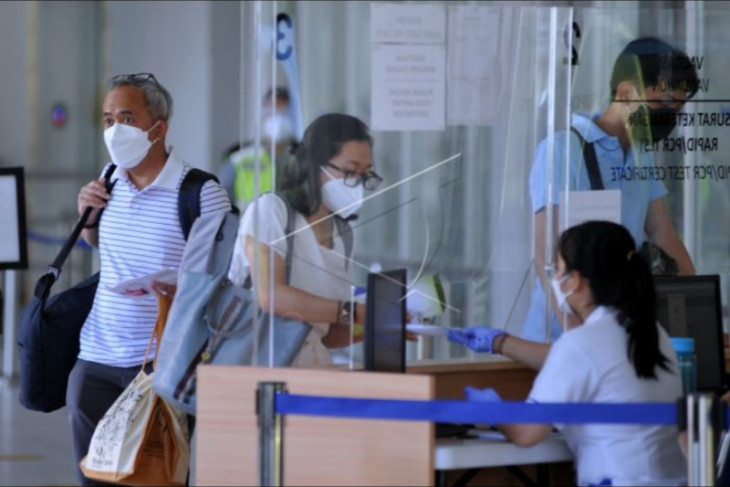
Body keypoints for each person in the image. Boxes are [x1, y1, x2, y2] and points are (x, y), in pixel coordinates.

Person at [70, 72, 230, 485]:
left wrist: (180, 289)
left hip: (162, 362)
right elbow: (102, 246)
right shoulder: (108, 178)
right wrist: (87, 217)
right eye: (108, 119)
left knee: (154, 477)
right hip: (96, 356)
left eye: (126, 117)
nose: (114, 130)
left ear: (158, 128)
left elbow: (223, 275)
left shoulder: (200, 192)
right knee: (94, 476)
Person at [451, 221, 687, 486]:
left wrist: (492, 412)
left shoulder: (580, 343)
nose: (554, 280)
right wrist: (500, 343)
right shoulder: (654, 333)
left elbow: (526, 433)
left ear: (575, 281)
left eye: (559, 270)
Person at [523, 36, 700, 343]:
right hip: (558, 336)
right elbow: (545, 254)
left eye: (678, 108)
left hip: (616, 328)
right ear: (625, 92)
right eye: (663, 103)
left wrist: (699, 314)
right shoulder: (562, 151)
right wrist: (573, 327)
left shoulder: (643, 154)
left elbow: (664, 237)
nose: (670, 116)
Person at [227, 113, 384, 367]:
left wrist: (380, 325)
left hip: (313, 371)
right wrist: (352, 312)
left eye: (366, 174)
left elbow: (326, 333)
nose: (358, 183)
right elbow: (271, 297)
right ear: (314, 165)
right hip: (256, 369)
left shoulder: (343, 234)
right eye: (351, 171)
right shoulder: (271, 211)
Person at [218, 86, 297, 207]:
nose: (277, 118)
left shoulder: (303, 156)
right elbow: (222, 205)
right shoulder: (238, 159)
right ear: (263, 115)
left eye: (283, 112)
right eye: (272, 111)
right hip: (248, 224)